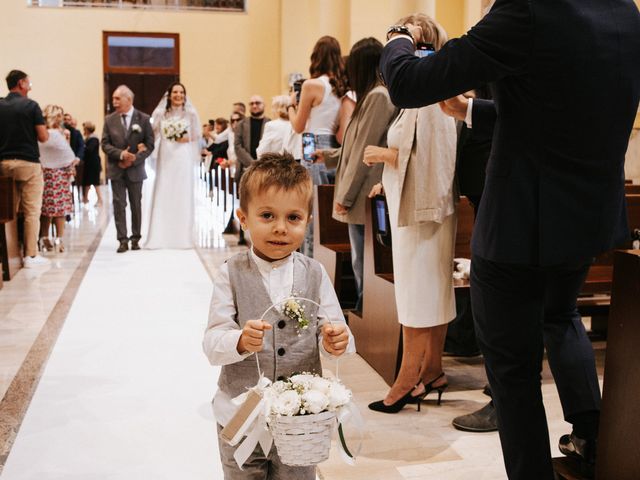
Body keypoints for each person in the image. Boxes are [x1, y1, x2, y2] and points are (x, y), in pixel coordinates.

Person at [380, 1, 640, 479]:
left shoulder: (527, 9)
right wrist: (472, 109)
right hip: (588, 217)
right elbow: (560, 104)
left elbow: (408, 83)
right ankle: (594, 438)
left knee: (514, 377)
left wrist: (400, 34)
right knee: (561, 317)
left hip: (520, 228)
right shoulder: (624, 10)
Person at [202, 152, 355, 480]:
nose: (280, 228)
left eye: (293, 218)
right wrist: (240, 340)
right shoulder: (230, 273)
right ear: (243, 218)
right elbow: (212, 343)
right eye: (267, 215)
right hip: (239, 413)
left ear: (308, 219)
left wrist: (336, 339)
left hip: (301, 418)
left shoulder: (315, 273)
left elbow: (334, 331)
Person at [362, 15, 457, 414]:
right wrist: (389, 174)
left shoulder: (430, 90)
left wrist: (383, 155)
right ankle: (432, 370)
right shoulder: (425, 89)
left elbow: (436, 157)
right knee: (430, 292)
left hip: (421, 212)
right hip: (418, 206)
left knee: (417, 296)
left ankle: (407, 381)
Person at [314, 37, 398, 313]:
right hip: (361, 193)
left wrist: (346, 197)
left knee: (364, 261)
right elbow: (353, 144)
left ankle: (367, 312)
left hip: (364, 194)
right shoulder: (370, 96)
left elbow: (365, 150)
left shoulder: (378, 96)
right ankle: (365, 309)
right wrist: (326, 156)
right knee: (361, 259)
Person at [287, 35, 347, 257]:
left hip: (313, 146)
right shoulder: (343, 85)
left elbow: (298, 126)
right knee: (331, 213)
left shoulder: (311, 85)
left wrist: (291, 107)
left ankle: (309, 264)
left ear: (316, 57)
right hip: (337, 149)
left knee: (311, 212)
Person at [0, 70, 50, 267]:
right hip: (28, 163)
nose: (30, 86)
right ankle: (30, 255)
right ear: (21, 83)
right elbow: (43, 136)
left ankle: (9, 255)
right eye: (29, 82)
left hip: (4, 163)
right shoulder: (31, 106)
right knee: (31, 211)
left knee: (8, 211)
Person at [146, 82, 200, 250]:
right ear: (169, 95)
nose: (178, 95)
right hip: (166, 152)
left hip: (182, 154)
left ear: (185, 95)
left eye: (181, 92)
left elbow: (197, 133)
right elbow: (153, 131)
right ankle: (160, 235)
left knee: (182, 190)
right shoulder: (161, 113)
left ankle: (182, 236)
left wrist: (186, 138)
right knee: (164, 187)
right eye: (175, 92)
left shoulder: (190, 113)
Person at [101, 85, 154, 253]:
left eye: (117, 99)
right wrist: (121, 155)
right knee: (118, 204)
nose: (114, 102)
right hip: (116, 168)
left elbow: (150, 145)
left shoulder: (143, 119)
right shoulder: (109, 120)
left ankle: (136, 237)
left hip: (135, 170)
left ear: (128, 100)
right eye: (114, 99)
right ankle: (122, 239)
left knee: (136, 204)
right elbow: (105, 144)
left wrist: (134, 159)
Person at [38, 105, 77, 253]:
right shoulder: (55, 135)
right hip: (59, 175)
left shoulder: (40, 134)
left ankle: (43, 238)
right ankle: (59, 239)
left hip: (44, 174)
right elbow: (69, 156)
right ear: (56, 118)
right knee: (60, 210)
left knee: (45, 210)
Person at [234, 95, 270, 245]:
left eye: (258, 103)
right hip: (245, 168)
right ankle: (242, 234)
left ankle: (262, 234)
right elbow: (237, 146)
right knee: (244, 203)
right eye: (252, 103)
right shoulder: (242, 124)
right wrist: (252, 163)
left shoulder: (270, 123)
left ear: (263, 105)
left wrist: (261, 163)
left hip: (264, 169)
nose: (255, 105)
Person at [81, 121, 103, 207]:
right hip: (89, 163)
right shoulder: (88, 138)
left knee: (95, 182)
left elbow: (89, 150)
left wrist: (82, 146)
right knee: (87, 181)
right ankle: (85, 198)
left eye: (85, 129)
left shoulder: (93, 139)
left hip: (93, 164)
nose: (84, 130)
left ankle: (100, 200)